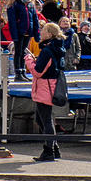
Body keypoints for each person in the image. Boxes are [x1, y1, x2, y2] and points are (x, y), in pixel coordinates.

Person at [30, 22, 68, 162]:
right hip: (51, 86)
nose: (40, 32)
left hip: (44, 88)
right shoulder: (57, 49)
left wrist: (29, 61)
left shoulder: (47, 51)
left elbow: (38, 72)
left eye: (43, 30)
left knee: (45, 120)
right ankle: (54, 147)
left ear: (49, 34)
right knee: (40, 118)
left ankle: (49, 150)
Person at [6, 0, 40, 80]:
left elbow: (35, 19)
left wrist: (36, 34)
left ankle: (22, 71)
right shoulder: (14, 5)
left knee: (24, 52)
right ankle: (18, 72)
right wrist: (14, 35)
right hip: (19, 31)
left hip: (28, 31)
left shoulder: (30, 5)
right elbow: (12, 21)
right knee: (18, 52)